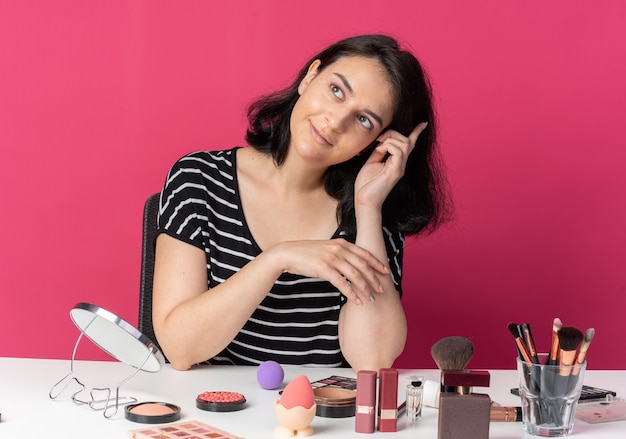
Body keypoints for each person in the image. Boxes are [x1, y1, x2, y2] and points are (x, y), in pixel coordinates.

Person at [152, 34, 449, 372]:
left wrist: (367, 207)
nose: (335, 122)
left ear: (375, 143)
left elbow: (373, 360)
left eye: (364, 120)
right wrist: (277, 259)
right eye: (336, 91)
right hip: (218, 411)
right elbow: (179, 347)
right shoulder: (199, 178)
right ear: (310, 77)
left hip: (323, 418)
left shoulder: (375, 208)